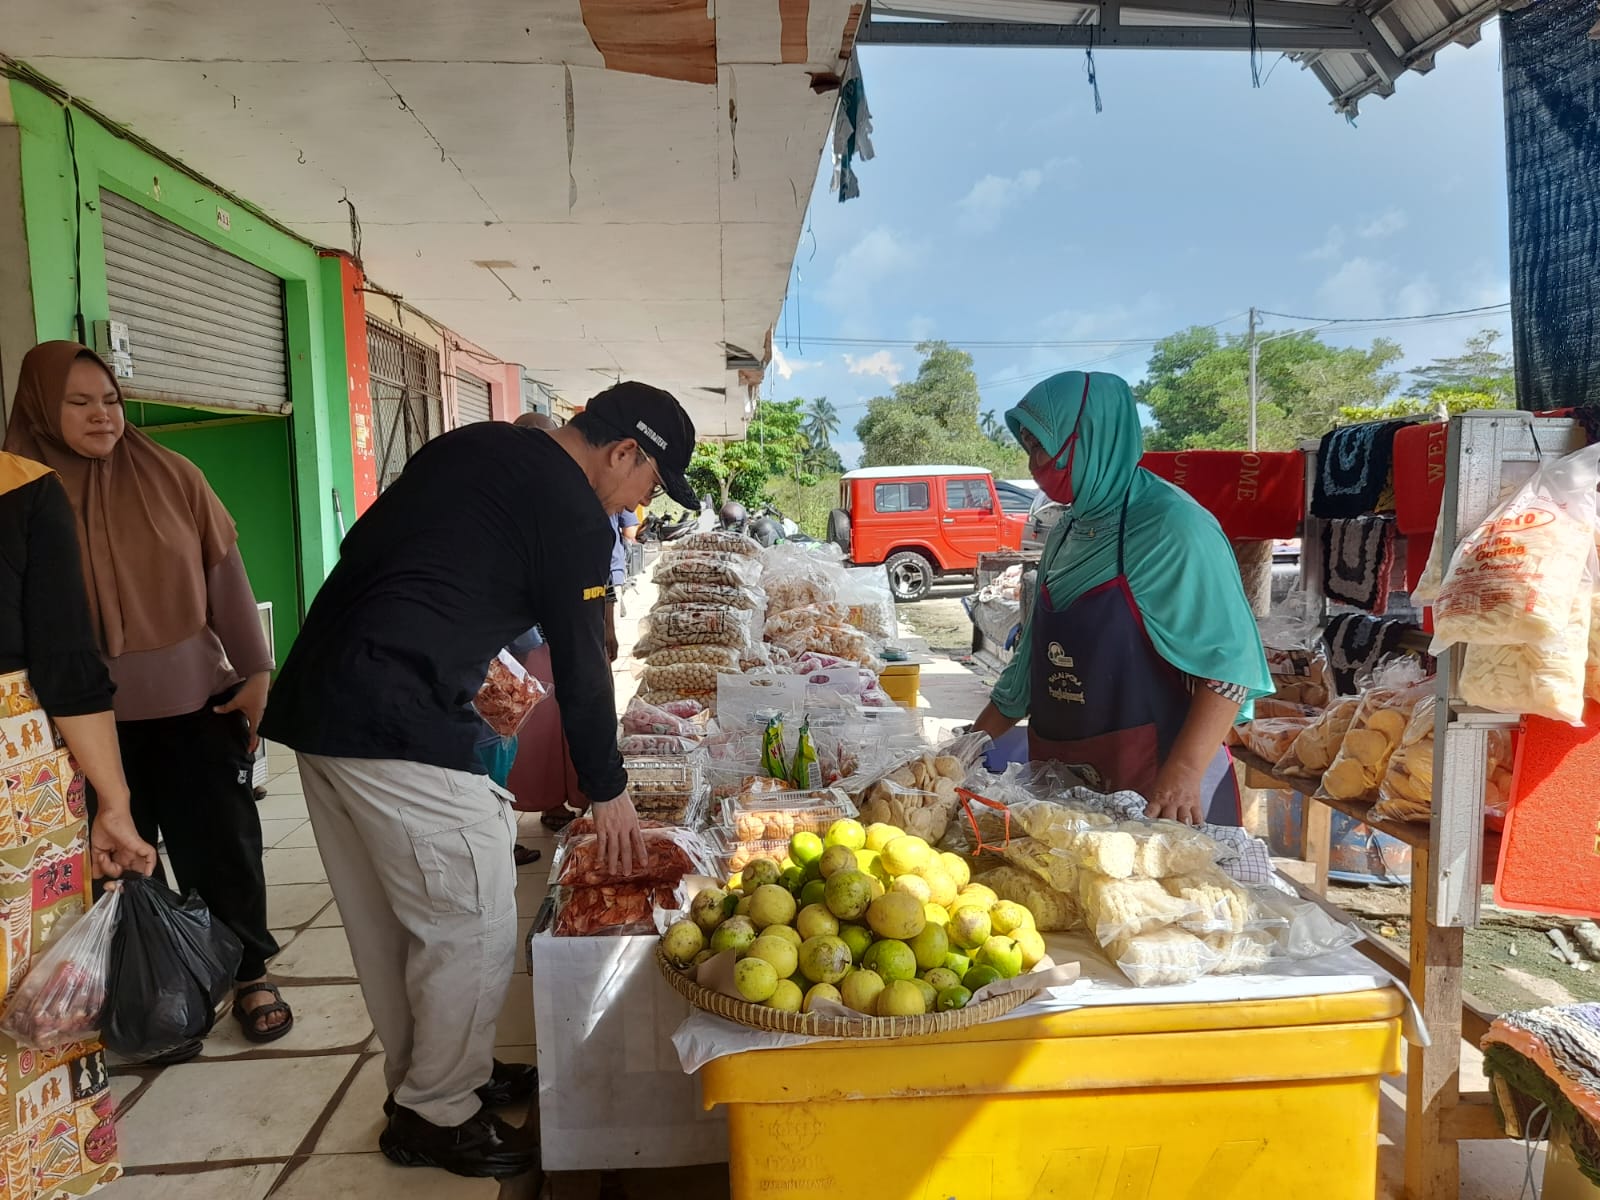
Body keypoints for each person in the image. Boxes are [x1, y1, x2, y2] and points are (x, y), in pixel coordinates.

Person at [260, 381, 700, 1180]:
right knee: (474, 920)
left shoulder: (475, 445)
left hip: (319, 704)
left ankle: (429, 1085)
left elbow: (406, 566)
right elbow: (581, 660)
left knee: (390, 925)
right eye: (651, 484)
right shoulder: (573, 512)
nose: (643, 501)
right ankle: (439, 1114)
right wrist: (609, 789)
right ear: (624, 451)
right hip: (396, 719)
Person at [3, 342, 291, 1052]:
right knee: (124, 865)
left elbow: (224, 575)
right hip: (75, 726)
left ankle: (249, 972)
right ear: (41, 408)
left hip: (195, 708)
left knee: (222, 848)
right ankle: (166, 989)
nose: (101, 416)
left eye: (110, 399)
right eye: (78, 403)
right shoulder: (22, 495)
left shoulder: (172, 474)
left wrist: (256, 671)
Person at [971, 371, 1272, 826]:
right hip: (1063, 775)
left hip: (1157, 786)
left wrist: (1184, 772)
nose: (1035, 465)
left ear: (1093, 436)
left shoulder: (1174, 527)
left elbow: (1231, 667)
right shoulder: (1066, 529)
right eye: (1029, 447)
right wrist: (966, 748)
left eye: (1044, 447)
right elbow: (1030, 665)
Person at [0, 446, 158, 1194]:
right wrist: (115, 803)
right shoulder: (22, 488)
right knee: (28, 999)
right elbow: (64, 659)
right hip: (13, 783)